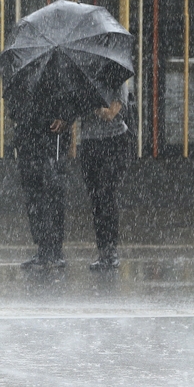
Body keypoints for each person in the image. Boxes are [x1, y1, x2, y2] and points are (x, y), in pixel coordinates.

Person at [10, 92, 80, 269]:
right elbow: (14, 110)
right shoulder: (26, 81)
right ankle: (44, 247)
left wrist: (65, 118)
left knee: (51, 196)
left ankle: (53, 249)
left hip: (50, 144)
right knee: (35, 199)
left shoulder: (58, 77)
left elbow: (73, 103)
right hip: (31, 144)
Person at [79, 84, 132, 270]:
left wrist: (90, 104)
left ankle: (110, 250)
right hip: (88, 144)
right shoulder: (83, 79)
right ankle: (103, 250)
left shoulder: (117, 77)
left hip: (114, 142)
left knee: (106, 194)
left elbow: (111, 113)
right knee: (96, 199)